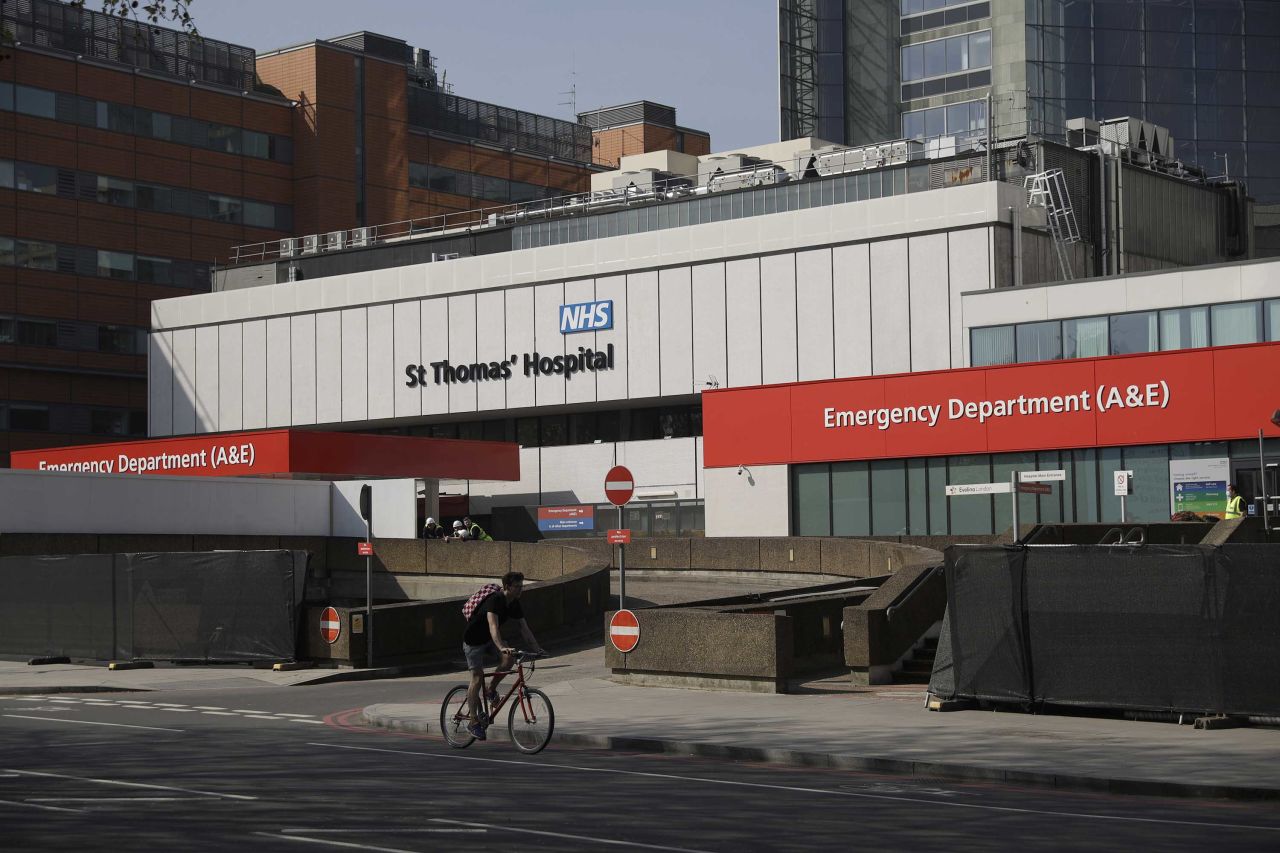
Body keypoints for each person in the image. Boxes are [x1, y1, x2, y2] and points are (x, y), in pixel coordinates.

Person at [462, 571, 546, 740]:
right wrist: (501, 646)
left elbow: (524, 628)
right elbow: (493, 626)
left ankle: (490, 689)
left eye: (522, 586)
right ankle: (473, 722)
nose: (521, 590)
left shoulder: (514, 603)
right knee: (477, 678)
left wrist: (537, 649)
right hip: (473, 642)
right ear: (507, 587)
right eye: (517, 587)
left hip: (490, 640)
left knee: (509, 659)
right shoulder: (495, 600)